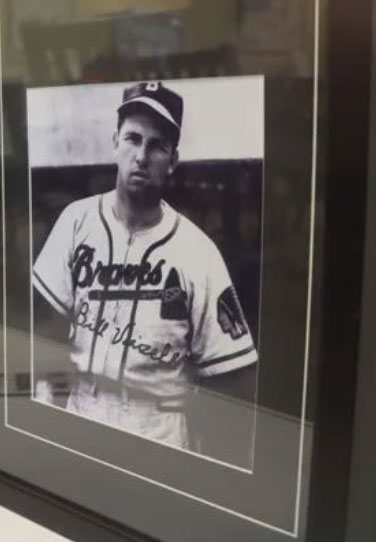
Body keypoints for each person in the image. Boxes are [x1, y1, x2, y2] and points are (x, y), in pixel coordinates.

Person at [31, 81, 258, 452]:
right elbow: (45, 333)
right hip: (81, 419)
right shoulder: (77, 221)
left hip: (156, 435)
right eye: (133, 139)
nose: (141, 155)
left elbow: (229, 375)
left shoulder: (198, 252)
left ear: (173, 161)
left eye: (157, 146)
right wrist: (43, 420)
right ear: (115, 143)